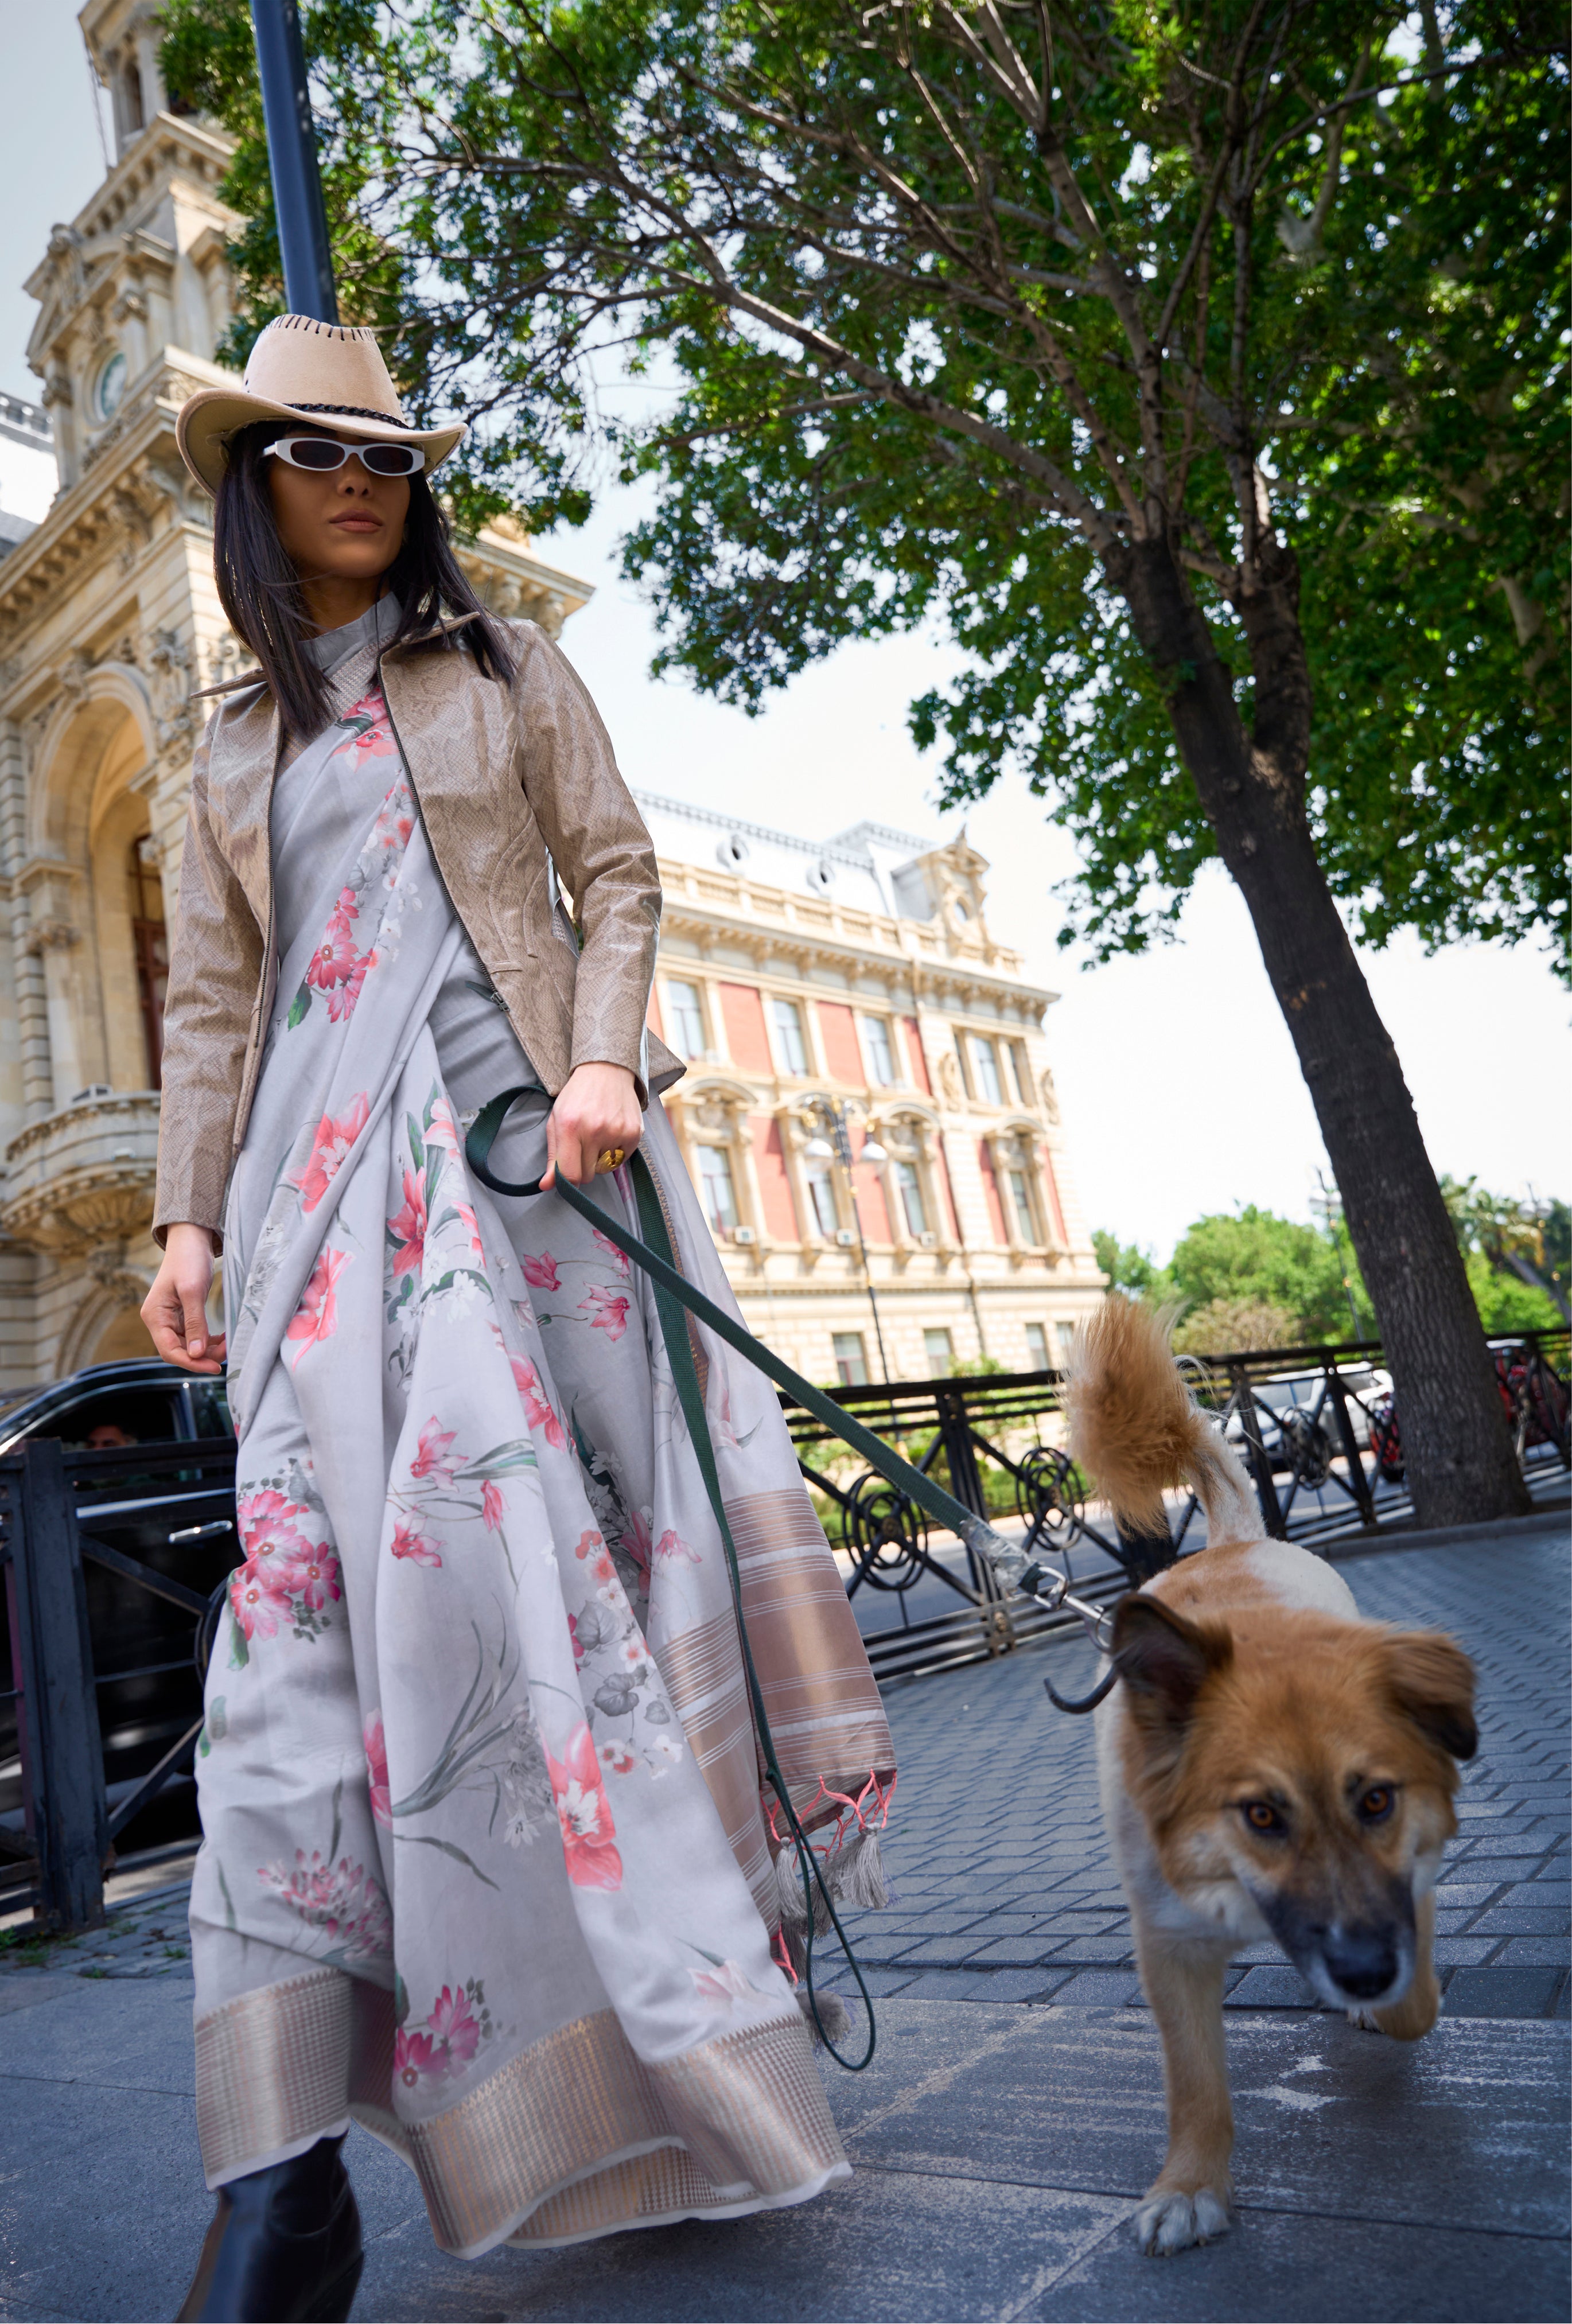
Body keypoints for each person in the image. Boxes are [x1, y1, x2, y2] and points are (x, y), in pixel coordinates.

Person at [145, 316, 894, 2322]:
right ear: (256, 484)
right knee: (292, 1643)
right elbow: (211, 1004)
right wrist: (185, 1214)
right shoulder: (223, 747)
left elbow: (616, 868)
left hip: (530, 1163)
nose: (362, 481)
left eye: (388, 455)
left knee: (600, 1598)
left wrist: (602, 1063)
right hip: (322, 1217)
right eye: (316, 453)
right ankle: (281, 2170)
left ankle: (690, 2039)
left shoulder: (501, 666)